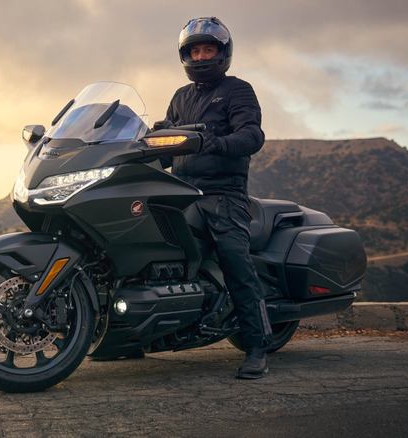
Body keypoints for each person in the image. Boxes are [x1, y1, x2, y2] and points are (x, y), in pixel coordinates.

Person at [158, 17, 273, 379]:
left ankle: (256, 347)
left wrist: (217, 143)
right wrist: (148, 144)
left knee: (234, 259)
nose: (202, 56)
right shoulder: (180, 96)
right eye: (195, 51)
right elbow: (167, 147)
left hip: (223, 194)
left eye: (208, 49)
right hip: (181, 193)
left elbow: (252, 135)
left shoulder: (237, 90)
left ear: (222, 53)